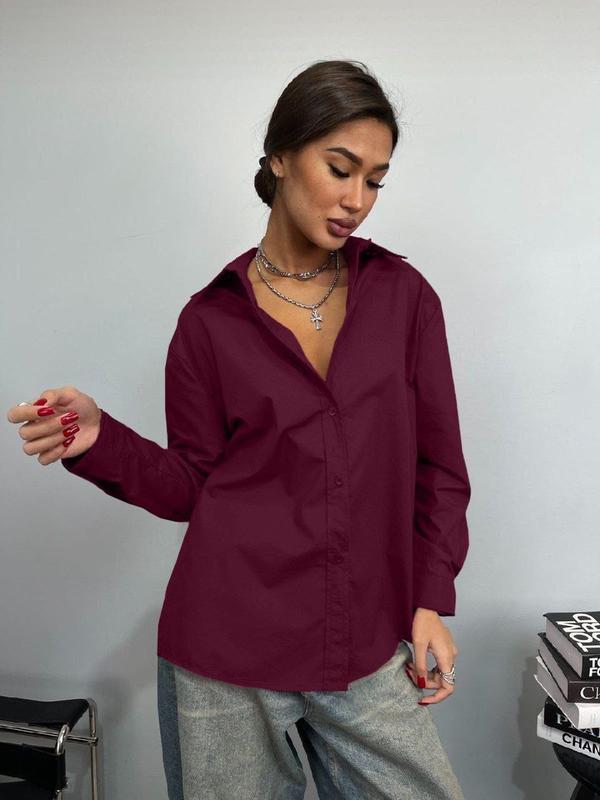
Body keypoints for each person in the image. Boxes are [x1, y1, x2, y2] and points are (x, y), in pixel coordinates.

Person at [6, 59, 471, 799]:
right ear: (281, 156)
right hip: (226, 652)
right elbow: (194, 484)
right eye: (340, 168)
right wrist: (100, 441)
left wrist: (430, 599)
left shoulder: (404, 298)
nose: (356, 200)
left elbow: (439, 468)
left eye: (376, 180)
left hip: (364, 638)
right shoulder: (209, 322)